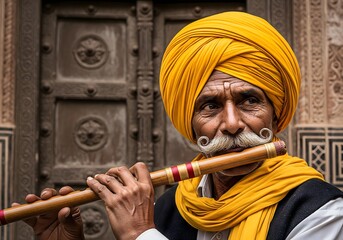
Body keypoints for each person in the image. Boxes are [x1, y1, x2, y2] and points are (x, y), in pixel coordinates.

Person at [16, 11, 343, 240]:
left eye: (249, 100)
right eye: (210, 106)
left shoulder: (321, 211)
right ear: (190, 121)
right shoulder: (170, 207)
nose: (230, 124)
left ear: (276, 113)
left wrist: (141, 235)